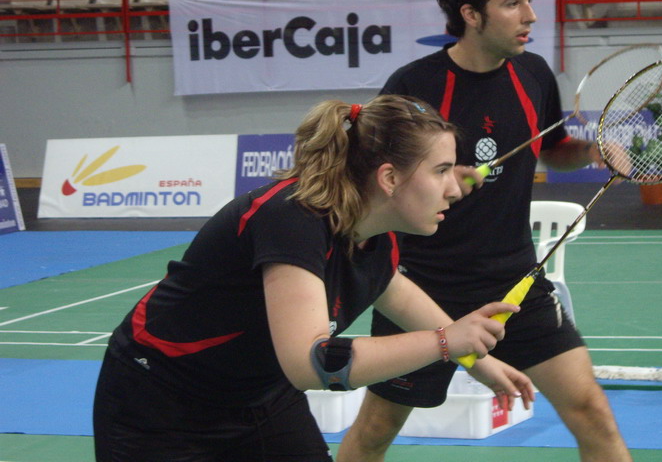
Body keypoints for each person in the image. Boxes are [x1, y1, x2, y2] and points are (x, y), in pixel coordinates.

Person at [92, 94, 535, 462]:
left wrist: (477, 361)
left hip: (260, 394)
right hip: (161, 402)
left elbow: (391, 290)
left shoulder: (376, 228)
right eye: (441, 171)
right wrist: (447, 342)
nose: (456, 189)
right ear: (389, 178)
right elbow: (316, 363)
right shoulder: (292, 219)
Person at [338, 0, 632, 461]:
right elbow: (367, 182)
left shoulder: (534, 73)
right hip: (424, 289)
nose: (531, 16)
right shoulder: (413, 88)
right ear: (471, 15)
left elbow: (552, 149)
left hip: (516, 283)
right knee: (374, 433)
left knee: (593, 413)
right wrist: (438, 177)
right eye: (513, 3)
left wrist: (590, 154)